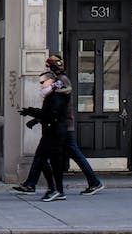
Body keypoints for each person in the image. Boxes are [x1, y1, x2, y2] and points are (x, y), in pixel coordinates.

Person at [13, 55, 105, 196]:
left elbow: (56, 105)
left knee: (50, 155)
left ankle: (44, 187)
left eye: (48, 66)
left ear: (53, 67)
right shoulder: (59, 80)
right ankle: (32, 184)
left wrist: (38, 116)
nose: (46, 69)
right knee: (45, 155)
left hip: (62, 126)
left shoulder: (61, 81)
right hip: (60, 125)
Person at [22, 73, 71, 201]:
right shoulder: (52, 94)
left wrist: (31, 111)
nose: (40, 85)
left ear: (51, 81)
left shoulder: (56, 95)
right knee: (47, 160)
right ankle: (57, 190)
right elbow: (48, 114)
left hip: (55, 132)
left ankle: (53, 189)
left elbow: (50, 114)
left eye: (42, 82)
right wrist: (33, 115)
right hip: (52, 131)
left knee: (45, 159)